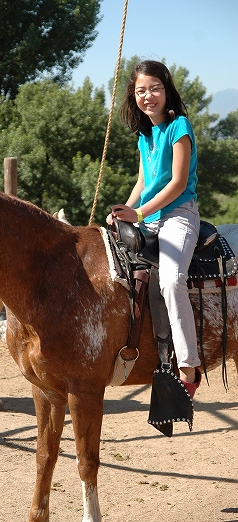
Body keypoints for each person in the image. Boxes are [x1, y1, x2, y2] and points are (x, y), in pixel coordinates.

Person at [106, 60, 201, 398]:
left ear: (166, 90)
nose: (149, 96)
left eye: (155, 88)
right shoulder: (145, 133)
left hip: (179, 215)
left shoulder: (180, 127)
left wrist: (140, 211)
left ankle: (189, 367)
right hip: (149, 216)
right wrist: (123, 209)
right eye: (141, 90)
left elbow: (177, 183)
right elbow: (144, 180)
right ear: (133, 96)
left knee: (173, 281)